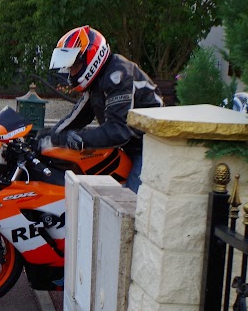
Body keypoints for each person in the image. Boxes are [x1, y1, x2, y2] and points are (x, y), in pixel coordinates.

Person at [41, 25, 163, 192]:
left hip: (150, 148)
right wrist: (46, 137)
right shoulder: (98, 81)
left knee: (131, 204)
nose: (71, 72)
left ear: (89, 57)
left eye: (74, 66)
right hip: (129, 147)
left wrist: (77, 139)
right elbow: (76, 116)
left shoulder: (118, 75)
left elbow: (117, 130)